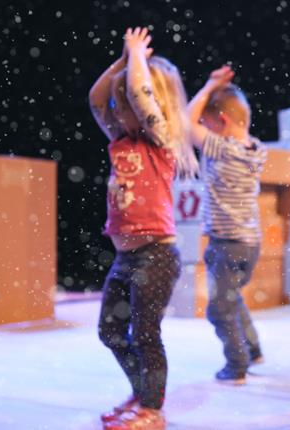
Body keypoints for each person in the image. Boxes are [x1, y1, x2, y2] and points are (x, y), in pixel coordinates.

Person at [90, 27, 198, 430]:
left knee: (146, 334)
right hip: (125, 255)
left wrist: (137, 57)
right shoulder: (121, 141)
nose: (119, 110)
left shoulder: (161, 141)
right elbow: (96, 98)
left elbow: (140, 93)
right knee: (111, 330)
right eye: (119, 105)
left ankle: (152, 408)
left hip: (156, 255)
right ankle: (140, 393)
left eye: (126, 104)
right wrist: (122, 61)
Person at [187, 65, 267, 385]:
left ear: (221, 123)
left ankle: (236, 365)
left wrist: (208, 86)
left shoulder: (223, 148)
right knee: (232, 296)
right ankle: (253, 348)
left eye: (207, 124)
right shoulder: (254, 149)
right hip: (250, 243)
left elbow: (183, 123)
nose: (201, 129)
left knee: (218, 310)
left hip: (227, 243)